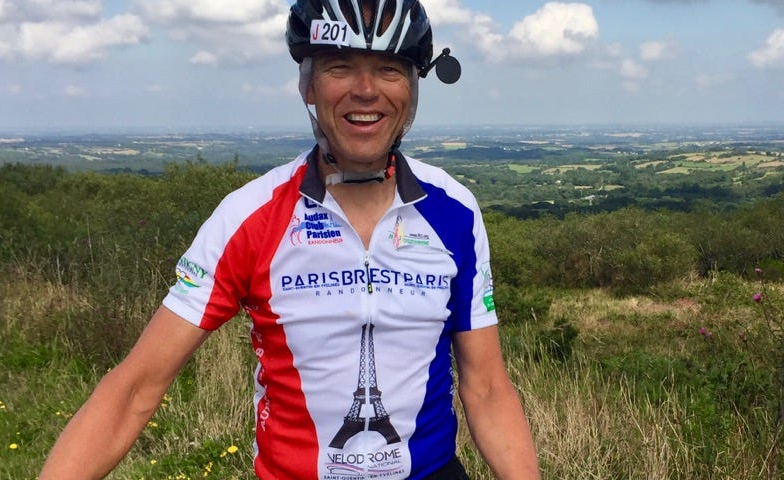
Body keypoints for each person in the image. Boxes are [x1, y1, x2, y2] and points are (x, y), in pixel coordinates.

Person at [40, 0, 540, 478]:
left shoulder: (455, 211)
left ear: (412, 87)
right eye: (340, 66)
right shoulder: (250, 217)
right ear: (308, 86)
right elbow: (135, 387)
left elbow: (487, 388)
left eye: (388, 68)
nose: (366, 90)